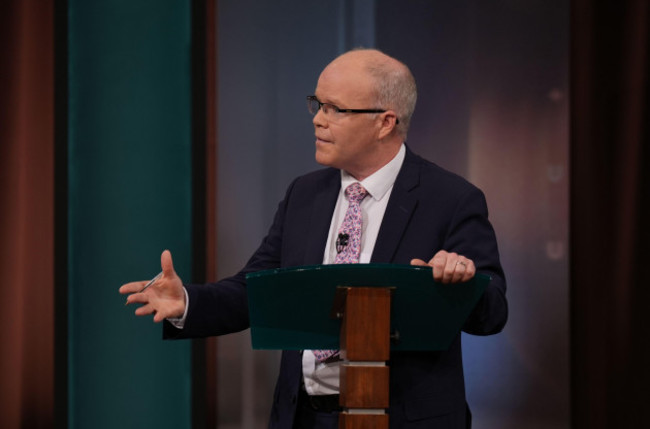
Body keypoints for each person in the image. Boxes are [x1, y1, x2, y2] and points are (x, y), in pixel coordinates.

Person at [120, 48, 507, 429]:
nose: (318, 120)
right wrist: (186, 301)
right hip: (304, 416)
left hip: (402, 418)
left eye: (335, 109)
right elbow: (255, 292)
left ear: (385, 122)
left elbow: (493, 313)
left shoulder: (451, 199)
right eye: (317, 104)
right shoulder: (304, 195)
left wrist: (462, 284)